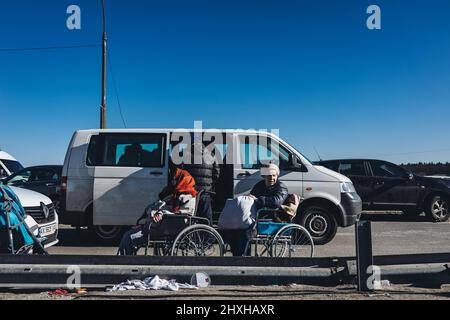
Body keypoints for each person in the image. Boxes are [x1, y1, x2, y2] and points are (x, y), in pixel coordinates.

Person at [117, 168, 197, 255]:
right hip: (161, 224)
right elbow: (165, 206)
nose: (172, 180)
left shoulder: (188, 196)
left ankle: (124, 260)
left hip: (167, 227)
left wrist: (162, 214)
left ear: (182, 179)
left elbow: (184, 215)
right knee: (128, 235)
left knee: (129, 237)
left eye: (175, 178)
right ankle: (126, 258)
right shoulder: (175, 194)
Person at [181, 141, 220, 224]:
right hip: (205, 191)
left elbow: (181, 174)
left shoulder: (185, 155)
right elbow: (216, 174)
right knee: (206, 216)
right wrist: (210, 184)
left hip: (190, 192)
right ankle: (208, 234)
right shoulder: (211, 156)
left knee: (190, 215)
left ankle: (190, 233)